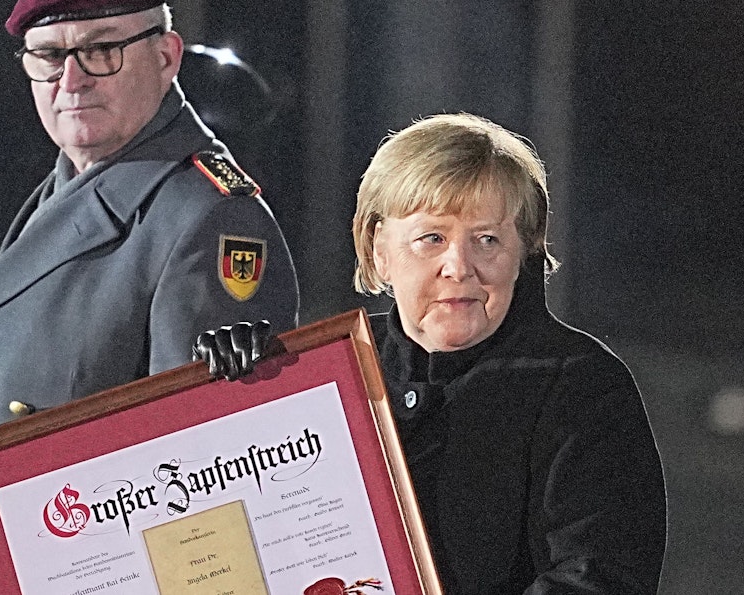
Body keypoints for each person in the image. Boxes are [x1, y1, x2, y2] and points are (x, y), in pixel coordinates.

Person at [0, 0, 298, 592]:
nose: (72, 79)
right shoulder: (67, 188)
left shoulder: (207, 219)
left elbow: (204, 489)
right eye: (49, 54)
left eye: (102, 50)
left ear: (167, 57)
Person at [201, 113, 666, 593]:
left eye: (487, 239)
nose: (459, 267)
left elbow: (597, 580)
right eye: (432, 238)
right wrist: (229, 402)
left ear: (524, 251)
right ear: (379, 248)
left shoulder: (582, 387)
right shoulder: (327, 374)